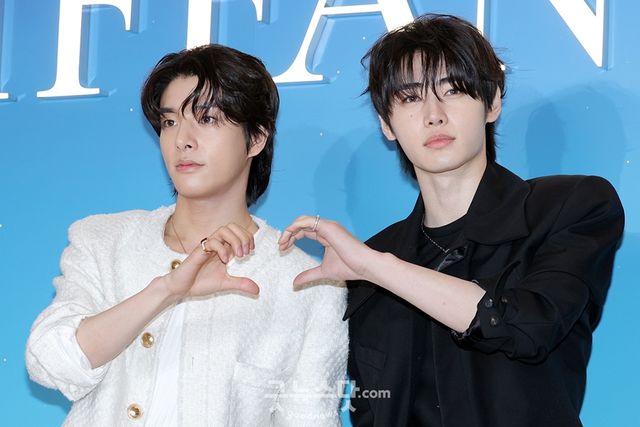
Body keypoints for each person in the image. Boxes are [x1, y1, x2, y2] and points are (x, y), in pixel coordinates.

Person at [278, 14, 624, 427]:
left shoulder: (568, 207)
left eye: (453, 90)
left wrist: (377, 267)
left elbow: (528, 327)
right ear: (387, 124)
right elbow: (370, 408)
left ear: (492, 103)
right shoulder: (366, 263)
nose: (433, 115)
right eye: (410, 98)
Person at [26, 44, 347, 426]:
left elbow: (309, 419)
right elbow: (49, 363)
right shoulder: (103, 241)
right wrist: (164, 291)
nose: (182, 140)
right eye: (169, 122)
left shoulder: (306, 285)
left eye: (207, 119)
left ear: (256, 138)